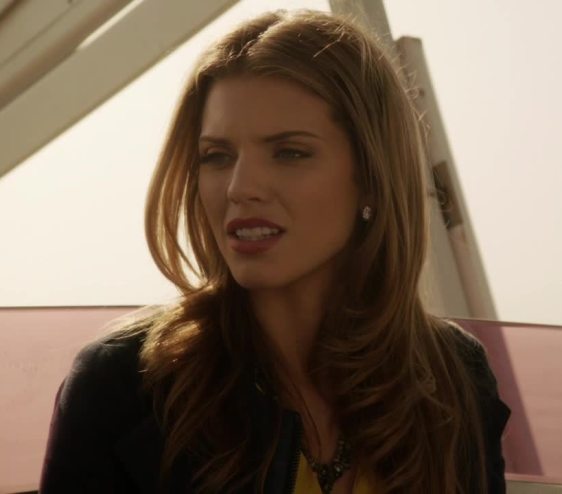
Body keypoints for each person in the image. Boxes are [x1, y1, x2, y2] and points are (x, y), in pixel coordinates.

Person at [40, 9, 510, 494]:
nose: (240, 188)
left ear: (372, 177)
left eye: (289, 152)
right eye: (217, 156)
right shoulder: (128, 387)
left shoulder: (453, 376)